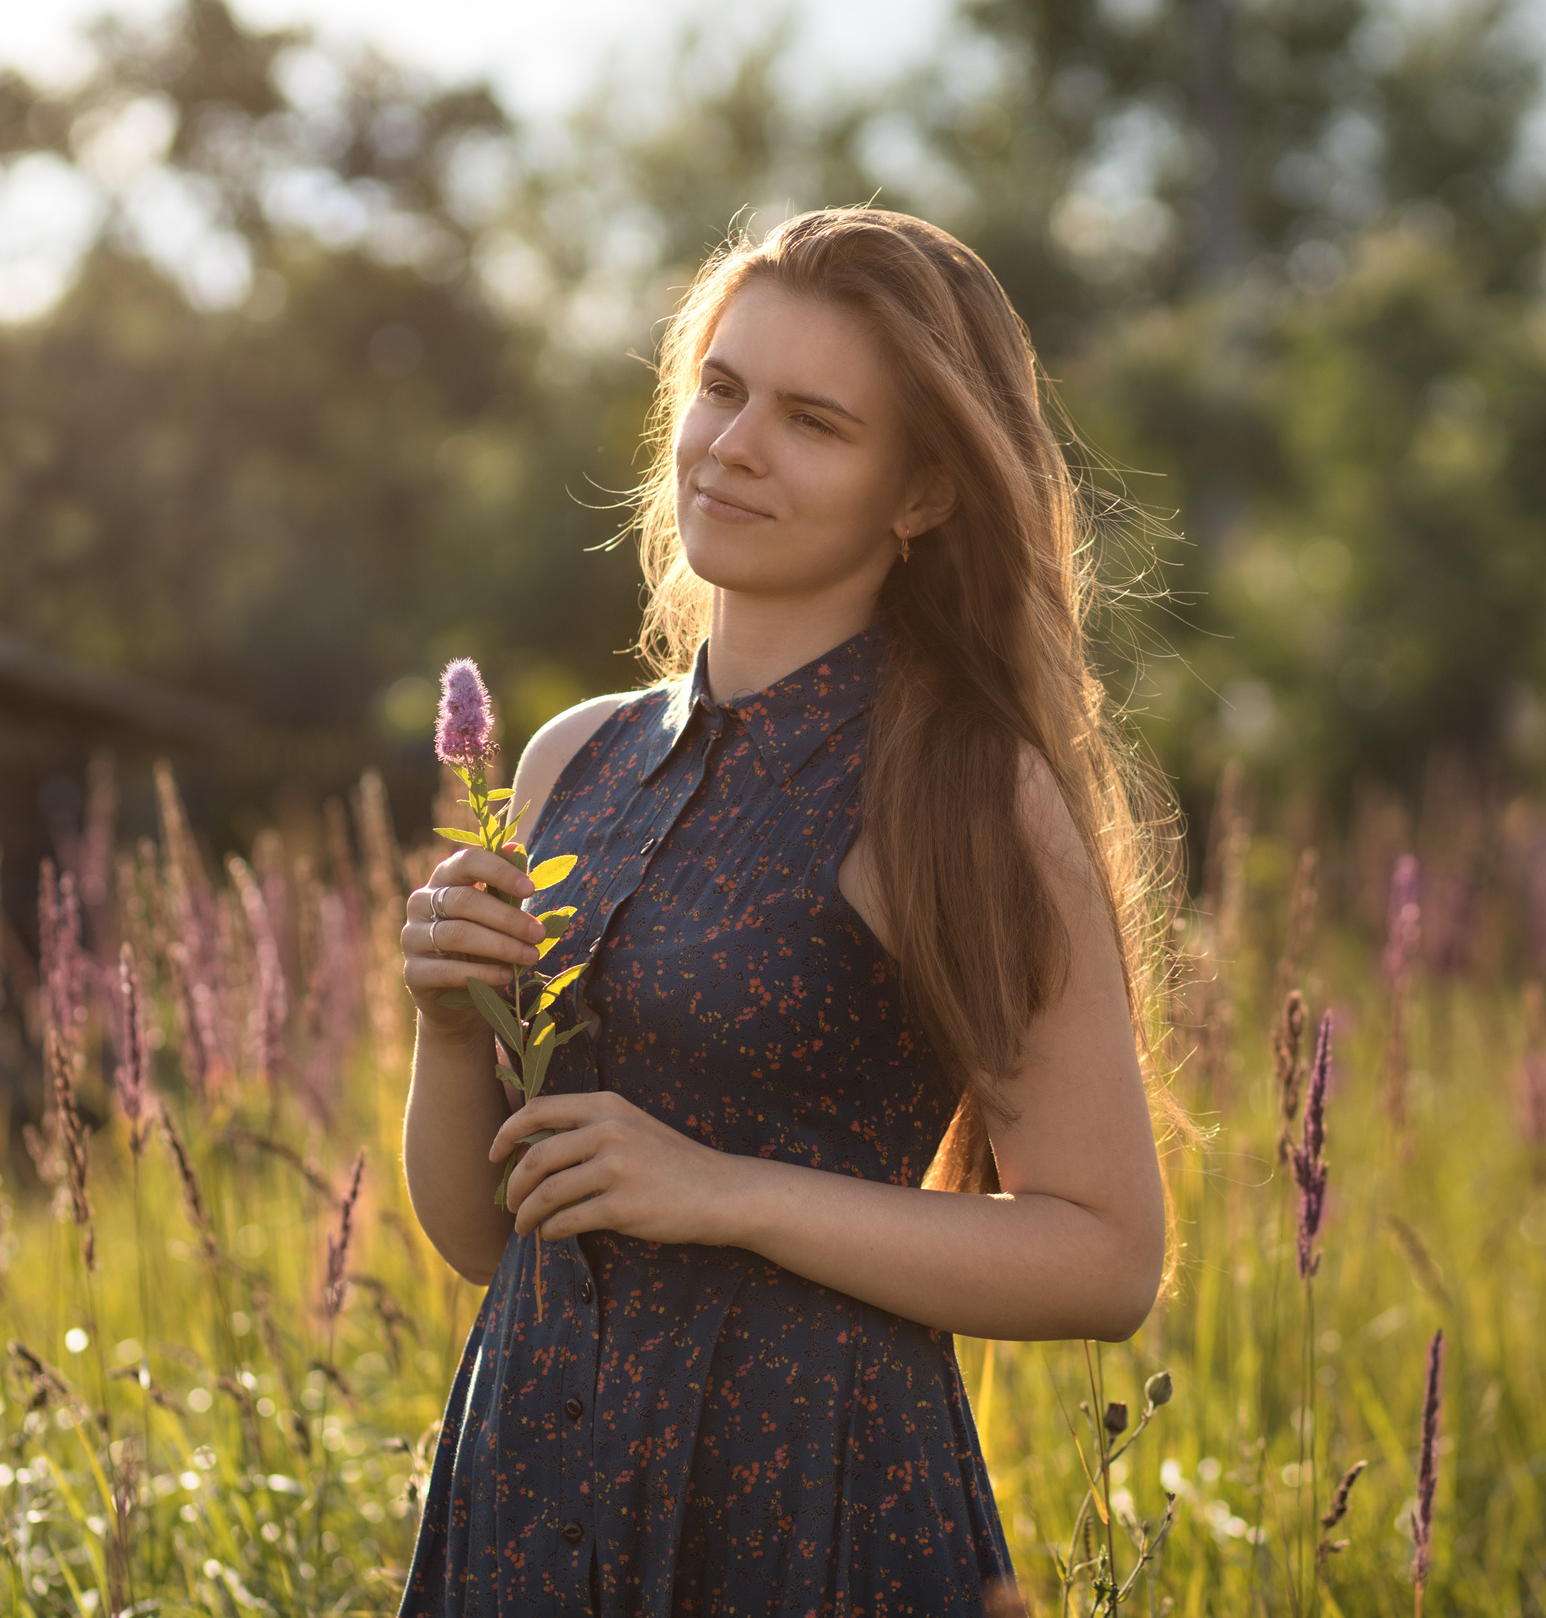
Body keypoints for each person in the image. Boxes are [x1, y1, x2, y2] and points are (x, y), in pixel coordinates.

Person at [395, 207, 1175, 1616]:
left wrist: (727, 1194)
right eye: (722, 388)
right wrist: (450, 1031)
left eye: (813, 421)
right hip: (529, 1490)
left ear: (922, 493)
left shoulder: (962, 792)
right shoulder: (572, 761)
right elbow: (486, 1240)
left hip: (808, 1501)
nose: (734, 445)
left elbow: (1107, 1255)